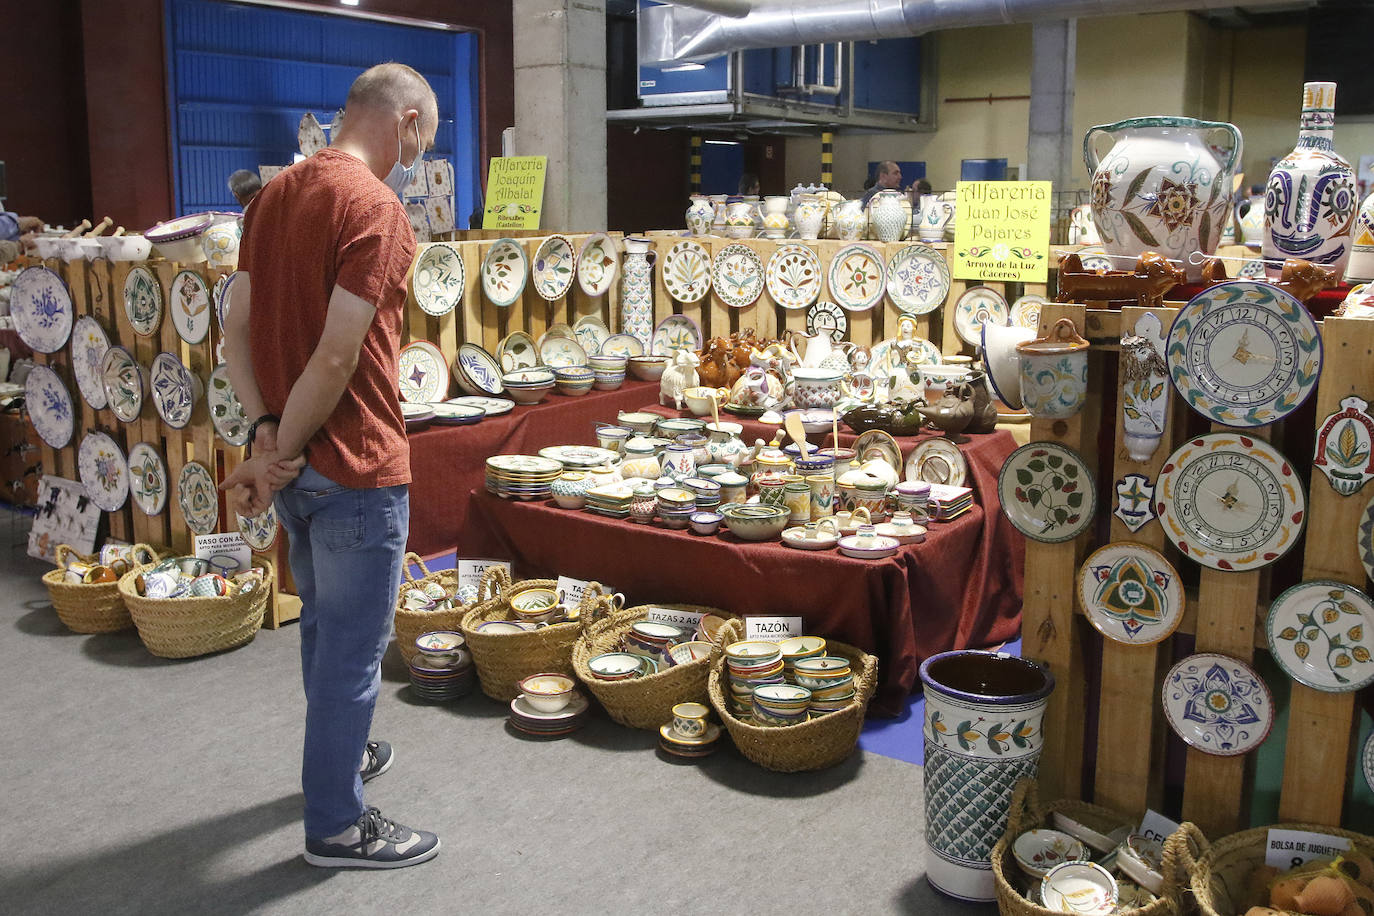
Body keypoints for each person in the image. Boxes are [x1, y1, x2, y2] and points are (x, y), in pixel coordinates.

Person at [220, 62, 441, 870]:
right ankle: (338, 827)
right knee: (351, 650)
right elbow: (340, 353)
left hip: (297, 470)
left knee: (323, 631)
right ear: (408, 124)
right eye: (426, 138)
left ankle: (337, 761)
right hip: (353, 464)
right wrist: (279, 445)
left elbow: (234, 333)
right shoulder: (375, 207)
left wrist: (265, 435)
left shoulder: (272, 196)